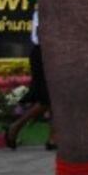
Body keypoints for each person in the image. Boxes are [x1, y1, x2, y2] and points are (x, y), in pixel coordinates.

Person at [6, 11, 57, 150]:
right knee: (48, 99)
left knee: (56, 97)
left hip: (55, 53)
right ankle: (16, 126)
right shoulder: (44, 9)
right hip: (43, 53)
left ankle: (53, 138)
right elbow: (41, 34)